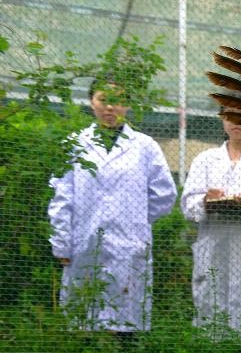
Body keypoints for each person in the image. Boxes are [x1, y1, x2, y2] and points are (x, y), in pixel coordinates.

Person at [47, 78, 177, 334]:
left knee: (125, 316)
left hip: (130, 240)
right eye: (103, 99)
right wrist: (61, 241)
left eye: (118, 101)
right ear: (91, 103)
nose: (110, 108)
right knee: (84, 312)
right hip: (83, 239)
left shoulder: (145, 146)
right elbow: (62, 196)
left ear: (127, 106)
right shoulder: (75, 143)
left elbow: (165, 194)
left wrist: (134, 219)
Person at [180, 107, 241, 335]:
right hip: (215, 241)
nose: (237, 122)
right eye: (230, 116)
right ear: (222, 119)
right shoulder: (205, 160)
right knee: (212, 304)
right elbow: (188, 205)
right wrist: (206, 201)